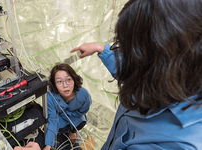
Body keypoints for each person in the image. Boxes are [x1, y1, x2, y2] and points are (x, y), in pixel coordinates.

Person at [70, 0, 202, 149]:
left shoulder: (175, 144)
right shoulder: (172, 74)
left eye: (130, 51)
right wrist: (101, 49)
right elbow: (134, 70)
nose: (125, 57)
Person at [43, 63, 92, 150]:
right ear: (54, 84)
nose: (65, 85)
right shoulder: (50, 97)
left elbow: (82, 112)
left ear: (74, 79)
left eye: (68, 79)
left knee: (80, 123)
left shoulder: (84, 95)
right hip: (59, 118)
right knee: (59, 127)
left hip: (75, 117)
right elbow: (52, 120)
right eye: (59, 81)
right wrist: (48, 145)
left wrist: (73, 131)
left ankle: (72, 130)